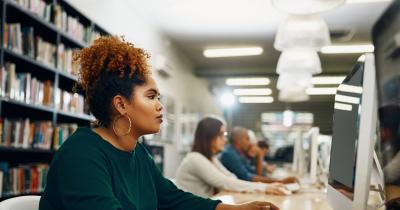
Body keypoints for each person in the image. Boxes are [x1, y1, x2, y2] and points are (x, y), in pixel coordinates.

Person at [38, 36, 279, 210]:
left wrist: (235, 209)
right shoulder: (81, 154)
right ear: (121, 104)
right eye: (151, 96)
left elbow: (171, 198)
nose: (160, 105)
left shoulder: (138, 152)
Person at [175, 116, 287, 198]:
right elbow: (225, 182)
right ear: (210, 136)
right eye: (222, 135)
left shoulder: (210, 159)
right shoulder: (195, 159)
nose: (225, 139)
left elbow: (231, 177)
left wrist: (264, 186)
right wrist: (265, 187)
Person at [220, 126, 297, 184]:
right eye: (247, 138)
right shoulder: (229, 154)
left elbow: (255, 174)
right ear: (238, 140)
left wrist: (259, 155)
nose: (249, 142)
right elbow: (249, 178)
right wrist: (281, 181)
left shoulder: (239, 153)